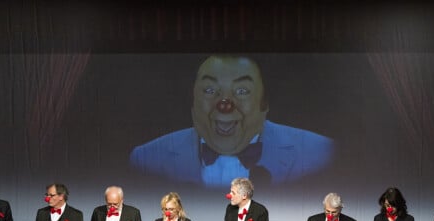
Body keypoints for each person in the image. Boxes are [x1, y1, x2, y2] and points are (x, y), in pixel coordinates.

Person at [129, 55, 333, 188]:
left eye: (242, 91)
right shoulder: (147, 159)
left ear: (265, 104)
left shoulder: (320, 153)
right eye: (210, 90)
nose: (224, 104)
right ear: (192, 103)